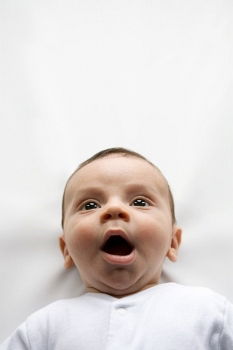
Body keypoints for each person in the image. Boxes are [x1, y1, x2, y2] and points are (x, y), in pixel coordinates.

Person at [1, 147, 233, 349]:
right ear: (67, 249)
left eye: (140, 202)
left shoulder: (208, 311)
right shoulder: (44, 327)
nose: (113, 208)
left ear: (172, 242)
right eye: (90, 205)